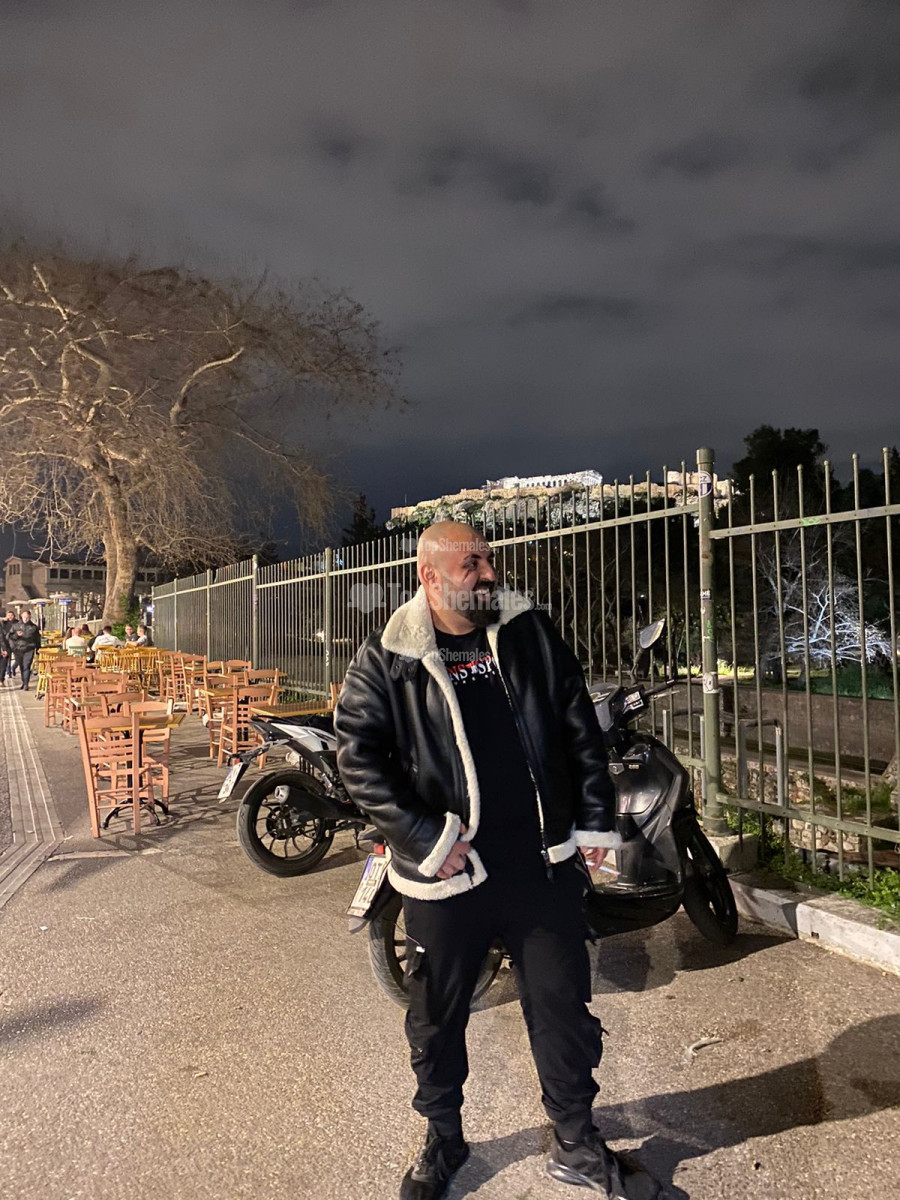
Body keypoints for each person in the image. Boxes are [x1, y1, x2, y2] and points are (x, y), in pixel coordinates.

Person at [335, 522, 659, 1200]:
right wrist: (425, 836)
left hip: (540, 863)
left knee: (563, 1007)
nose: (488, 573)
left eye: (489, 559)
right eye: (470, 564)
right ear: (429, 577)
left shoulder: (528, 631)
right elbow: (358, 758)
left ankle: (576, 1140)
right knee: (436, 1016)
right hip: (449, 876)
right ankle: (443, 1138)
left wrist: (592, 818)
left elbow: (577, 726)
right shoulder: (390, 655)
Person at [7, 609, 42, 691]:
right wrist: (16, 635)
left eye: (27, 617)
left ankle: (26, 684)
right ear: (21, 616)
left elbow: (37, 639)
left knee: (27, 666)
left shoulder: (34, 627)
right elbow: (9, 637)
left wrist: (38, 649)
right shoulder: (16, 626)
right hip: (18, 649)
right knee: (22, 666)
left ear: (30, 617)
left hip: (29, 649)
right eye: (24, 617)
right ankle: (24, 681)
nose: (26, 618)